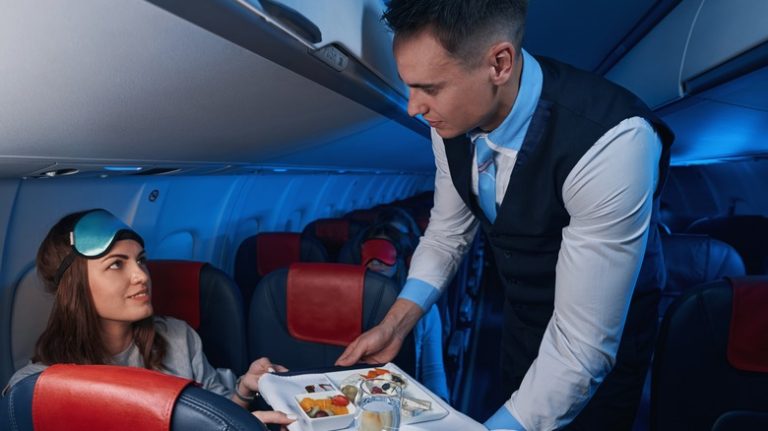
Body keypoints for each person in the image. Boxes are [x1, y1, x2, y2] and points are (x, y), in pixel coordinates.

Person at [336, 1, 674, 430]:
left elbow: (581, 349)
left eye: (430, 88)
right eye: (410, 87)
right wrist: (397, 323)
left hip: (600, 340)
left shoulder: (611, 142)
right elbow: (445, 234)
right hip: (522, 320)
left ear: (499, 63)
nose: (412, 108)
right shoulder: (450, 123)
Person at [2, 209, 295, 428]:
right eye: (116, 264)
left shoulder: (179, 338)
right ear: (73, 286)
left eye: (141, 260)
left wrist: (243, 391)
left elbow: (219, 415)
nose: (142, 276)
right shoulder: (37, 387)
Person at [360, 224, 450, 401]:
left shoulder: (425, 310)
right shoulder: (348, 300)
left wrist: (443, 404)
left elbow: (433, 371)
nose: (376, 261)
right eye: (370, 253)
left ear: (401, 259)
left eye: (385, 252)